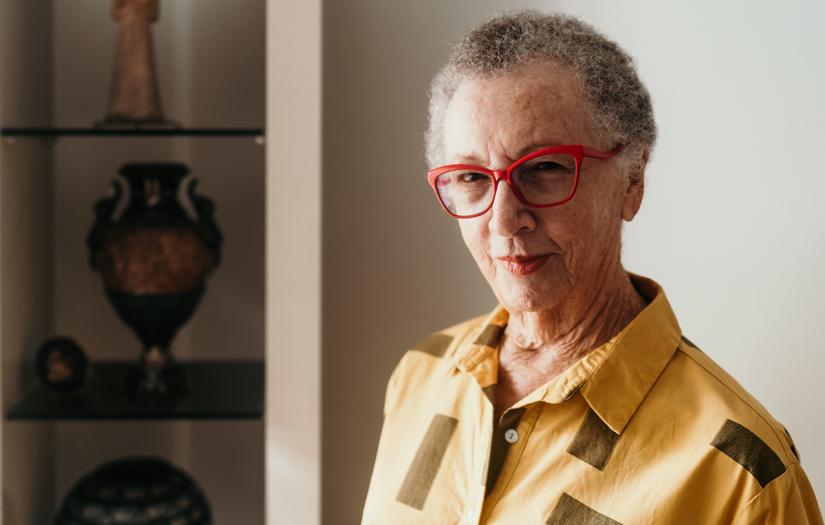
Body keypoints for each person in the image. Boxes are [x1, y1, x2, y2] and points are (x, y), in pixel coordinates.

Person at [361, 11, 823, 525]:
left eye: (545, 168)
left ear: (632, 180)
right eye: (471, 176)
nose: (505, 220)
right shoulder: (421, 372)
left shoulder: (740, 472)